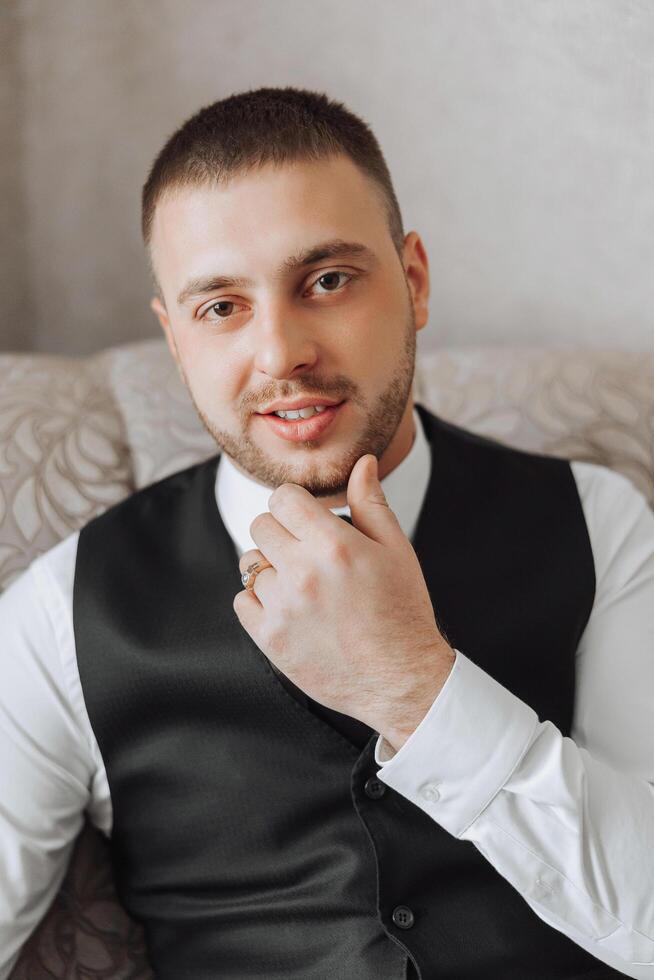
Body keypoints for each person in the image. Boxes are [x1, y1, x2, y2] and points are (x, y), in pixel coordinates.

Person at [1, 86, 653, 980]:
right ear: (175, 338)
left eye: (328, 281)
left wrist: (415, 687)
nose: (281, 354)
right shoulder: (61, 611)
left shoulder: (598, 522)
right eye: (221, 307)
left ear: (413, 281)